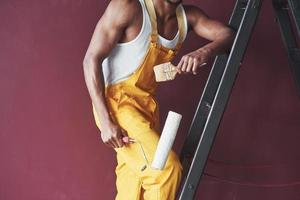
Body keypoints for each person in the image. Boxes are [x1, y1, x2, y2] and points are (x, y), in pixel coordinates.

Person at [83, 0, 234, 199]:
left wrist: (204, 51)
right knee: (165, 170)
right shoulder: (128, 6)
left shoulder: (187, 17)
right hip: (117, 105)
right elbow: (91, 59)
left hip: (147, 108)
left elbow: (228, 35)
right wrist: (105, 122)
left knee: (132, 185)